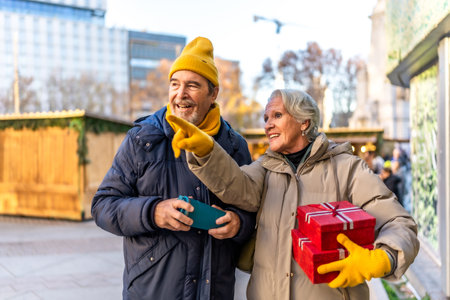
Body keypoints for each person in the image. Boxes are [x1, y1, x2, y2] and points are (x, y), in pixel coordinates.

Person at [167, 89, 419, 299]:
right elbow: (237, 185)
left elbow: (399, 222)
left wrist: (383, 258)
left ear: (304, 122)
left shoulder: (347, 168)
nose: (268, 125)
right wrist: (207, 152)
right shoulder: (265, 168)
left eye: (277, 115)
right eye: (266, 118)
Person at [91, 37, 255, 300]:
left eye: (193, 85)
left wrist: (238, 224)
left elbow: (254, 212)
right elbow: (102, 206)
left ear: (213, 94)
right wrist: (152, 211)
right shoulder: (142, 139)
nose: (181, 94)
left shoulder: (234, 146)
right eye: (175, 84)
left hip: (215, 291)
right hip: (153, 290)